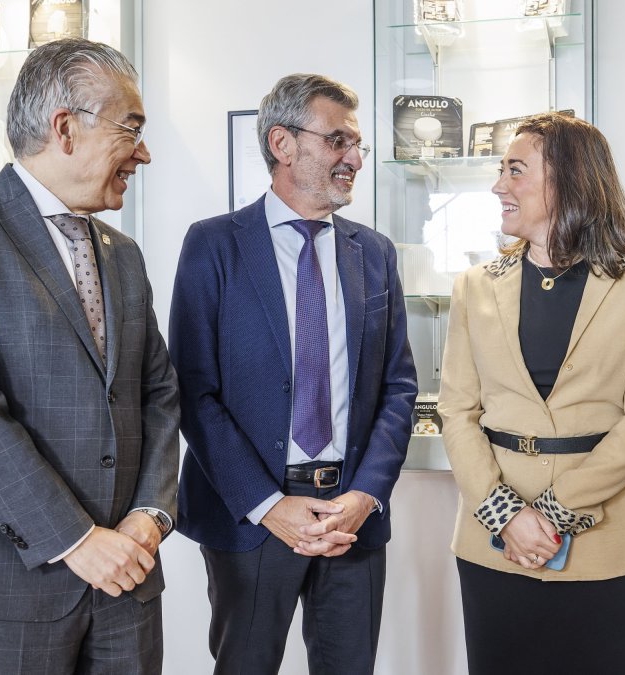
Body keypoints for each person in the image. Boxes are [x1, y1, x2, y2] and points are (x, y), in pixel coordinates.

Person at [0, 38, 179, 674]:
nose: (145, 152)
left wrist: (148, 518)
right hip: (2, 587)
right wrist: (76, 540)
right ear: (66, 128)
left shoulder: (122, 252)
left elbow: (158, 393)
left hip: (126, 583)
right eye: (132, 127)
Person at [169, 73, 417, 675]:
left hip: (350, 517)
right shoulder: (214, 245)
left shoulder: (375, 252)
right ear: (282, 144)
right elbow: (193, 392)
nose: (354, 158)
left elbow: (399, 386)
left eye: (356, 144)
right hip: (251, 518)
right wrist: (267, 504)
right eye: (337, 141)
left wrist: (364, 496)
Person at [438, 112, 625, 675]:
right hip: (492, 541)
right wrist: (504, 515)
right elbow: (456, 411)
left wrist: (549, 513)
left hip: (610, 542)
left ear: (568, 179)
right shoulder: (474, 286)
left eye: (515, 170)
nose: (500, 185)